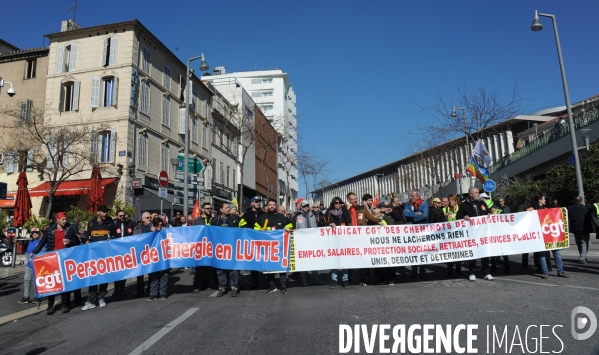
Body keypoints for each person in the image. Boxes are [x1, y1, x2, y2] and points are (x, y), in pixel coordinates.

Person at [30, 212, 80, 314]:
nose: (65, 221)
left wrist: (70, 242)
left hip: (65, 259)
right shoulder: (50, 230)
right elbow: (42, 243)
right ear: (57, 220)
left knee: (65, 283)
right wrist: (34, 252)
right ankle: (50, 306)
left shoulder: (70, 229)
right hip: (52, 260)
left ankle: (64, 305)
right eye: (63, 219)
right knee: (52, 283)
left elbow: (77, 242)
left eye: (66, 219)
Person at [255, 199, 293, 294]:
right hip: (267, 247)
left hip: (280, 247)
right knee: (269, 266)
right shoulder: (262, 217)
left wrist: (288, 228)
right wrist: (260, 231)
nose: (272, 206)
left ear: (276, 206)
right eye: (270, 205)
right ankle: (272, 285)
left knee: (281, 265)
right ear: (267, 206)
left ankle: (283, 285)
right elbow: (255, 228)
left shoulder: (281, 217)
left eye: (273, 205)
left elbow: (291, 225)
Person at [80, 205, 113, 310]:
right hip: (93, 256)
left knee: (104, 277)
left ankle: (101, 297)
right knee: (93, 277)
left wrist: (111, 239)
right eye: (103, 212)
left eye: (106, 212)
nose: (105, 213)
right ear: (98, 212)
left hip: (105, 255)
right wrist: (86, 241)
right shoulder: (91, 224)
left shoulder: (110, 223)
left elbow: (116, 237)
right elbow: (87, 236)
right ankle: (91, 300)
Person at [457, 187, 493, 282]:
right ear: (471, 194)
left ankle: (486, 272)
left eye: (478, 192)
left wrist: (489, 214)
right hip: (471, 233)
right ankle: (472, 272)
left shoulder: (482, 203)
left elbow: (488, 211)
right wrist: (463, 217)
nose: (479, 194)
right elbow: (458, 216)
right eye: (477, 193)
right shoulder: (464, 205)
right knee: (472, 253)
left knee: (484, 252)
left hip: (483, 232)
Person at [530, 193, 569, 279]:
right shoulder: (533, 209)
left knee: (556, 253)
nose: (545, 200)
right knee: (542, 254)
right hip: (540, 237)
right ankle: (545, 272)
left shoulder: (546, 209)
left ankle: (560, 271)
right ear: (539, 200)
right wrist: (529, 211)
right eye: (544, 199)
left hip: (550, 234)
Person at [209, 203, 240, 297]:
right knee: (221, 269)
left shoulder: (236, 218)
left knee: (234, 269)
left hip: (233, 248)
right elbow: (210, 232)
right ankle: (222, 287)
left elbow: (243, 230)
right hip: (220, 249)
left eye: (229, 208)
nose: (228, 209)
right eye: (226, 208)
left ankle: (234, 287)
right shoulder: (214, 220)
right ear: (221, 209)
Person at [294, 201, 325, 286]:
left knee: (313, 260)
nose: (306, 208)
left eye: (307, 206)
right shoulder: (298, 217)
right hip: (303, 242)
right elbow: (296, 229)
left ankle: (315, 278)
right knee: (303, 261)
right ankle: (303, 279)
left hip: (312, 242)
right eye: (304, 206)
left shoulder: (313, 216)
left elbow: (317, 227)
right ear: (301, 207)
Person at [324, 197, 352, 288]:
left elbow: (348, 220)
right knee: (334, 259)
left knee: (344, 259)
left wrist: (344, 208)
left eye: (340, 202)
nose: (338, 204)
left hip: (343, 239)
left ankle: (345, 279)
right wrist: (329, 224)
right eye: (336, 203)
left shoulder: (344, 211)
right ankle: (334, 279)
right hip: (332, 239)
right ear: (333, 203)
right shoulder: (329, 212)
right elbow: (320, 222)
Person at [239, 196, 266, 289]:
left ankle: (266, 279)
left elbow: (267, 224)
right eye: (256, 201)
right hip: (250, 240)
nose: (258, 203)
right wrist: (245, 229)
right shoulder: (247, 214)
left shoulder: (263, 213)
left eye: (259, 202)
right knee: (252, 260)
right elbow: (241, 224)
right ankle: (255, 281)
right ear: (252, 203)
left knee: (262, 258)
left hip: (261, 240)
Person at [404, 190, 429, 279]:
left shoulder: (424, 204)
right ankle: (414, 270)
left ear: (417, 197)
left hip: (421, 231)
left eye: (412, 196)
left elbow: (425, 215)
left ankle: (422, 270)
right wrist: (416, 213)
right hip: (411, 231)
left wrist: (413, 219)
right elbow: (405, 213)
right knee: (412, 251)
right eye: (410, 196)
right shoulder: (408, 204)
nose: (410, 197)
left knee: (422, 251)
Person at [111, 209, 135, 297]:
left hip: (125, 251)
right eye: (120, 216)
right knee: (116, 270)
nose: (122, 217)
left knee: (124, 270)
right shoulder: (113, 224)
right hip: (116, 250)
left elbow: (133, 233)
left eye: (123, 215)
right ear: (117, 216)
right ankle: (116, 289)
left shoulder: (129, 223)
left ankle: (122, 288)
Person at [148, 217, 169, 301]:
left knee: (164, 276)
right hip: (154, 259)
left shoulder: (165, 232)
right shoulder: (150, 233)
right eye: (158, 225)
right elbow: (144, 241)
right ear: (154, 225)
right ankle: (153, 294)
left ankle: (163, 294)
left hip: (164, 258)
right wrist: (150, 232)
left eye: (161, 225)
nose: (160, 227)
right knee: (154, 277)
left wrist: (165, 231)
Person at [19, 228, 42, 304]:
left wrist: (33, 259)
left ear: (39, 233)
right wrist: (29, 259)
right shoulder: (30, 242)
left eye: (36, 233)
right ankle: (26, 297)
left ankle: (38, 297)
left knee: (37, 281)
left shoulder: (42, 242)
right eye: (33, 233)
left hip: (37, 264)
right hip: (29, 264)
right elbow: (27, 252)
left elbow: (43, 252)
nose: (34, 234)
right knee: (27, 279)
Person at [133, 212, 153, 297]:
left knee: (151, 273)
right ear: (143, 219)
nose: (149, 219)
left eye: (150, 217)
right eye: (147, 217)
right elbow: (135, 239)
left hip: (150, 253)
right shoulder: (137, 228)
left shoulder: (153, 227)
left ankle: (150, 290)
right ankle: (140, 292)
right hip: (140, 253)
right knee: (140, 274)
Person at [568, 196, 593, 264]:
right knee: (584, 243)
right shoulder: (586, 208)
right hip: (585, 228)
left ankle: (582, 255)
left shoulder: (570, 209)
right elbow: (590, 217)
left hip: (575, 229)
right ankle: (582, 257)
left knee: (578, 243)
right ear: (581, 201)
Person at [442, 194, 462, 277]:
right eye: (449, 200)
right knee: (449, 254)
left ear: (456, 200)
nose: (451, 202)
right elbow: (440, 221)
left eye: (452, 200)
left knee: (459, 253)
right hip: (448, 235)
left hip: (459, 233)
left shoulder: (460, 208)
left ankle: (458, 271)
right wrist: (444, 216)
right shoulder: (444, 209)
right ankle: (449, 271)